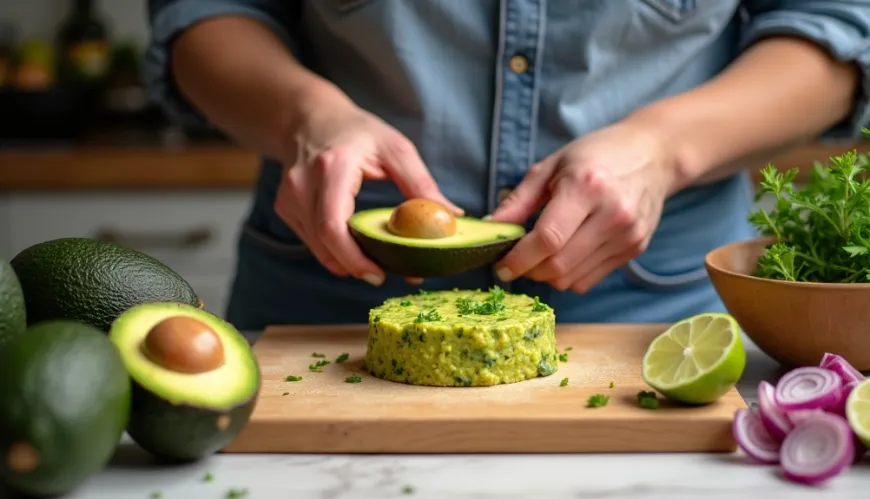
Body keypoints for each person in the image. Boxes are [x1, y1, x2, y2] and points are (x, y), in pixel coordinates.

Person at [145, 0, 870, 330]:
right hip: (326, 302)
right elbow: (201, 14)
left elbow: (839, 26)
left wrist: (660, 149)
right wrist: (309, 117)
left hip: (652, 310)